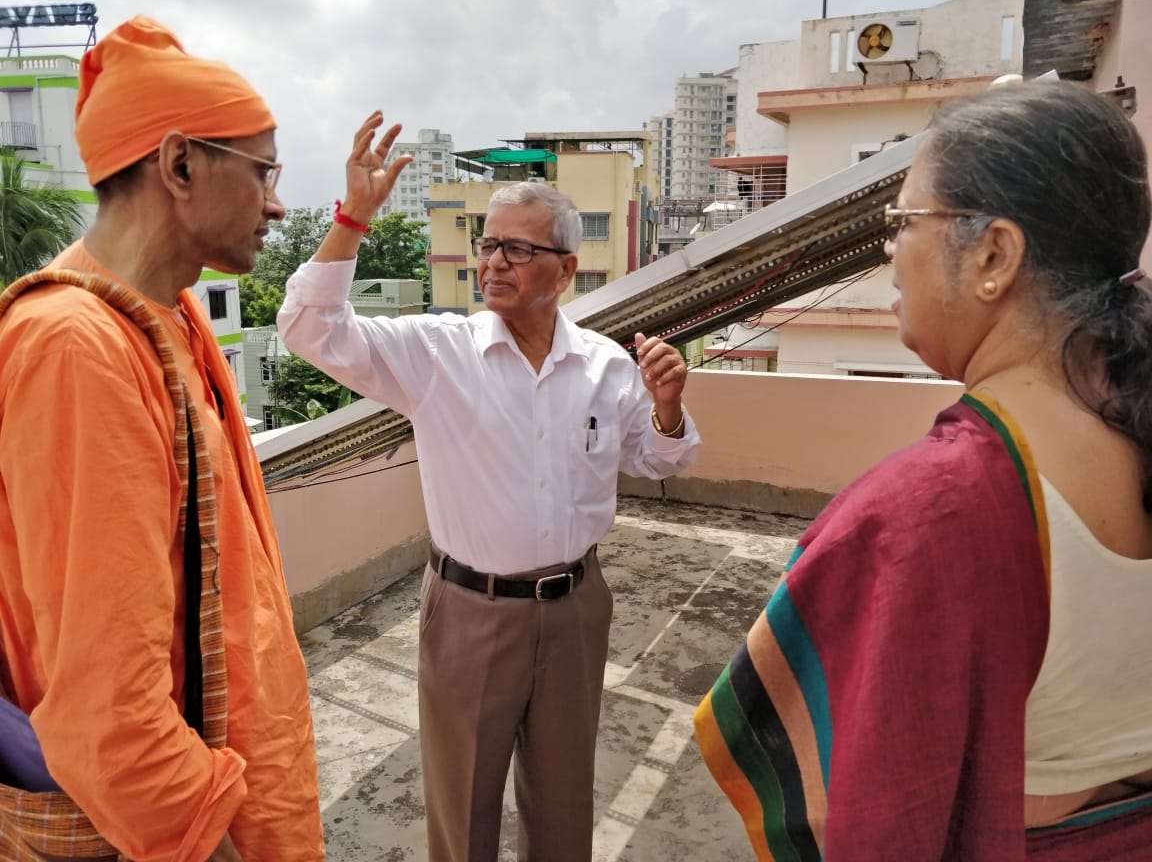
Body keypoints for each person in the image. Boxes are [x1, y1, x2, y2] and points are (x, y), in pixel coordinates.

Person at [695, 81, 1152, 861]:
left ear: (993, 255)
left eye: (903, 223)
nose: (888, 249)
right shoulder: (1125, 424)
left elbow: (858, 800)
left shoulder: (935, 507)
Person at [278, 114, 700, 861]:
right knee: (463, 804)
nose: (493, 262)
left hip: (575, 608)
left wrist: (667, 410)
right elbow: (312, 330)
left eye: (518, 248)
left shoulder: (606, 365)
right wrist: (352, 219)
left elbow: (657, 459)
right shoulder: (438, 353)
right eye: (487, 244)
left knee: (565, 801)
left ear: (566, 269)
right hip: (471, 613)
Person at [0, 17, 324, 862]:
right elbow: (107, 705)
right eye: (264, 172)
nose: (278, 203)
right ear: (180, 164)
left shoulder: (171, 316)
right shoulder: (75, 347)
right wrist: (211, 844)